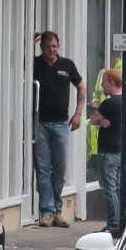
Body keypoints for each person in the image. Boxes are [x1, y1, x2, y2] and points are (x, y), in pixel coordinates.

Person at [33, 31, 84, 228]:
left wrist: (78, 113)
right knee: (43, 169)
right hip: (40, 124)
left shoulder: (67, 65)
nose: (52, 50)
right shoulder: (34, 64)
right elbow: (15, 64)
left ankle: (57, 210)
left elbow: (81, 88)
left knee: (60, 169)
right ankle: (47, 212)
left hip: (62, 124)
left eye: (55, 46)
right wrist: (27, 42)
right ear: (42, 47)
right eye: (48, 46)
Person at [91, 68, 125, 236]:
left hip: (108, 151)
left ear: (112, 82)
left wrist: (100, 119)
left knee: (108, 187)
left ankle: (113, 223)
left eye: (104, 82)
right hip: (121, 151)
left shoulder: (109, 103)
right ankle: (119, 221)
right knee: (117, 187)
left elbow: (93, 120)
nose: (103, 86)